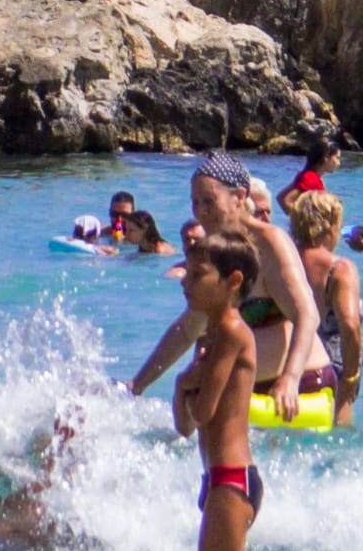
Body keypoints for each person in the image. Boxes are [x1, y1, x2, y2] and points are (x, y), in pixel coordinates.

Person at [129, 152, 329, 421]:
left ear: (239, 196)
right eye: (195, 202)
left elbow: (307, 314)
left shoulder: (270, 243)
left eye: (209, 200)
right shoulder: (214, 252)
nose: (200, 211)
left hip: (301, 390)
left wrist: (290, 379)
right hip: (245, 392)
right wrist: (136, 386)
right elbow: (187, 328)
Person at [171, 231, 260, 551]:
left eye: (197, 274)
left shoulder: (231, 331)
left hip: (231, 480)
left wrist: (189, 384)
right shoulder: (210, 334)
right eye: (187, 273)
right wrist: (180, 384)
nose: (186, 282)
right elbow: (185, 426)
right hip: (218, 480)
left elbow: (203, 410)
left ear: (233, 281)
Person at [287, 191, 359, 427]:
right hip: (330, 366)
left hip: (287, 362)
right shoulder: (338, 268)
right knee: (338, 434)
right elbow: (349, 325)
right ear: (329, 227)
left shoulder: (282, 260)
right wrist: (351, 377)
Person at [277, 139, 341, 215]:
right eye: (337, 158)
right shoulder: (311, 179)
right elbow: (286, 201)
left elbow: (280, 197)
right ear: (326, 157)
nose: (339, 163)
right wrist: (307, 222)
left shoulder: (307, 175)